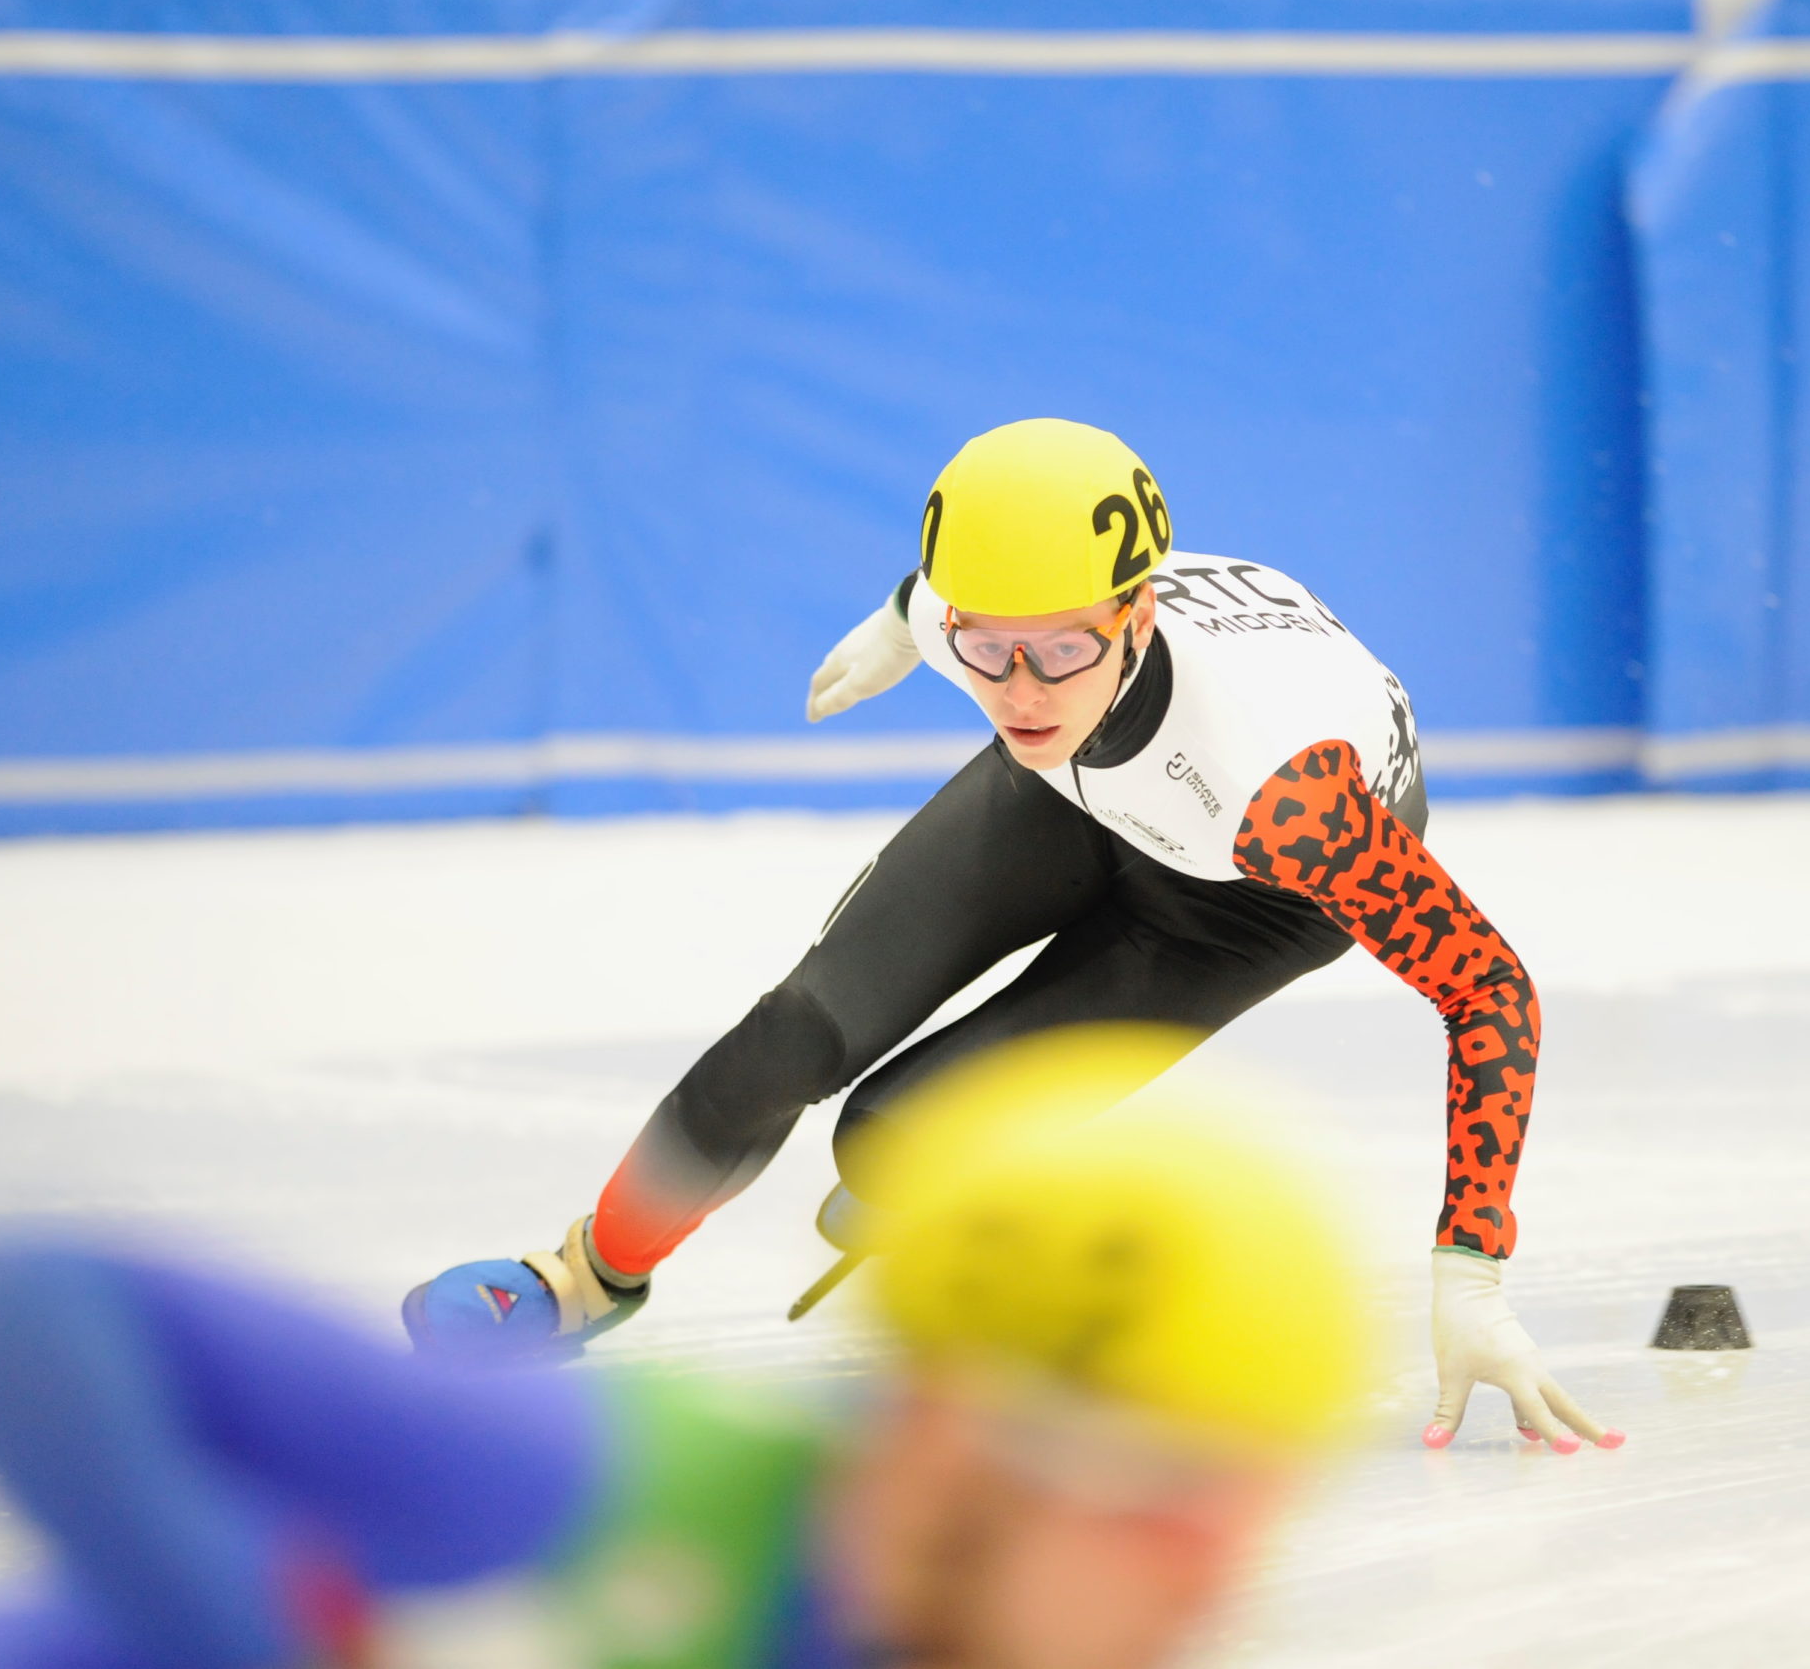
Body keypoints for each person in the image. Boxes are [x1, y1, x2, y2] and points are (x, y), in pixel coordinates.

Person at [407, 418, 1617, 1453]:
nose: (1023, 692)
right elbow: (940, 598)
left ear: (1137, 614)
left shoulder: (1287, 791)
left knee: (890, 1142)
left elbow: (1490, 991)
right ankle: (582, 1280)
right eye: (985, 650)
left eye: (1060, 650)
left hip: (1246, 896)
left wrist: (1470, 1268)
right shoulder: (984, 618)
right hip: (1078, 799)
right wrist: (902, 627)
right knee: (788, 1039)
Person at [0, 1030, 1372, 1669]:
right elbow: (11, 1291)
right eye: (1172, 1492)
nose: (1207, 1584)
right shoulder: (600, 1485)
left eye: (1253, 1503)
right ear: (955, 1428)